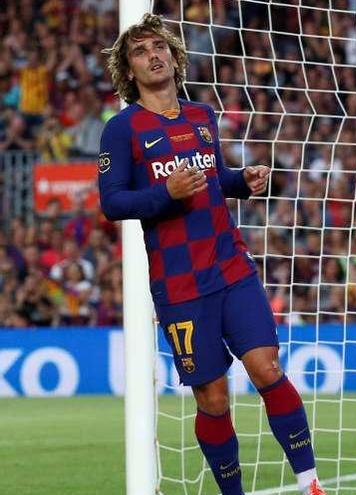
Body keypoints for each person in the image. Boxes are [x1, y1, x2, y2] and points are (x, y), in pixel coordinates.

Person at [98, 14, 324, 495]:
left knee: (269, 369)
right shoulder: (121, 129)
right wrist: (166, 191)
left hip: (231, 266)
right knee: (214, 398)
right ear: (128, 69)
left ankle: (311, 483)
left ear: (175, 56)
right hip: (180, 284)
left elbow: (212, 179)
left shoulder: (203, 117)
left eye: (159, 46)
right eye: (140, 51)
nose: (153, 55)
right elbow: (113, 202)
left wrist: (241, 180)